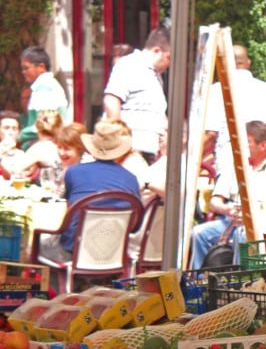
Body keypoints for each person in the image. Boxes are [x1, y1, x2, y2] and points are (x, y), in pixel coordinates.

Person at [191, 120, 266, 270]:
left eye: (247, 142)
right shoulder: (235, 165)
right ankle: (200, 280)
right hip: (232, 221)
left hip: (264, 224)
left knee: (242, 235)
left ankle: (240, 280)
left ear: (263, 145)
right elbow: (214, 202)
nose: (242, 146)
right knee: (199, 233)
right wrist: (227, 210)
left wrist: (252, 214)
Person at [37, 120, 141, 265]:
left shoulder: (74, 172)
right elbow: (135, 226)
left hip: (74, 251)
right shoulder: (131, 179)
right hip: (114, 253)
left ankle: (50, 287)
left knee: (36, 245)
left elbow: (69, 212)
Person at [204, 44, 266, 183]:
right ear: (248, 63)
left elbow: (210, 135)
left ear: (224, 64)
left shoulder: (217, 91)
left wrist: (191, 161)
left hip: (230, 171)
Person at [103, 27, 171, 163]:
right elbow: (111, 101)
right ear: (157, 51)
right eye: (168, 57)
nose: (169, 64)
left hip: (147, 151)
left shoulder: (155, 75)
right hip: (130, 152)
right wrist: (120, 142)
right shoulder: (130, 65)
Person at [19, 46, 68, 149]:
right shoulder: (47, 85)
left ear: (41, 67)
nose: (23, 72)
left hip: (45, 147)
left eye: (26, 68)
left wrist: (18, 137)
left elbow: (45, 124)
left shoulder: (44, 88)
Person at [15, 110, 62, 181]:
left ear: (36, 128)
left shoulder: (39, 148)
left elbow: (14, 170)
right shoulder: (62, 147)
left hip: (50, 189)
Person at [0, 111, 25, 180]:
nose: (10, 132)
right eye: (6, 128)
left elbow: (13, 178)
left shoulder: (21, 155)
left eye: (14, 129)